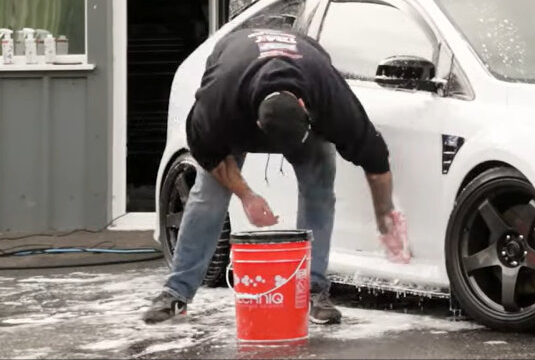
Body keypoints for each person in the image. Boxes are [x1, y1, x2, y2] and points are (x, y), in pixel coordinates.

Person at [142, 27, 406, 325]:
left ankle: (313, 290)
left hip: (305, 69)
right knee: (209, 196)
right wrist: (246, 195)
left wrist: (385, 217)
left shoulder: (330, 95)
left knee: (319, 189)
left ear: (306, 109)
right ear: (255, 122)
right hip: (236, 71)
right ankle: (176, 293)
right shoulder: (219, 103)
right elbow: (211, 154)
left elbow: (376, 160)